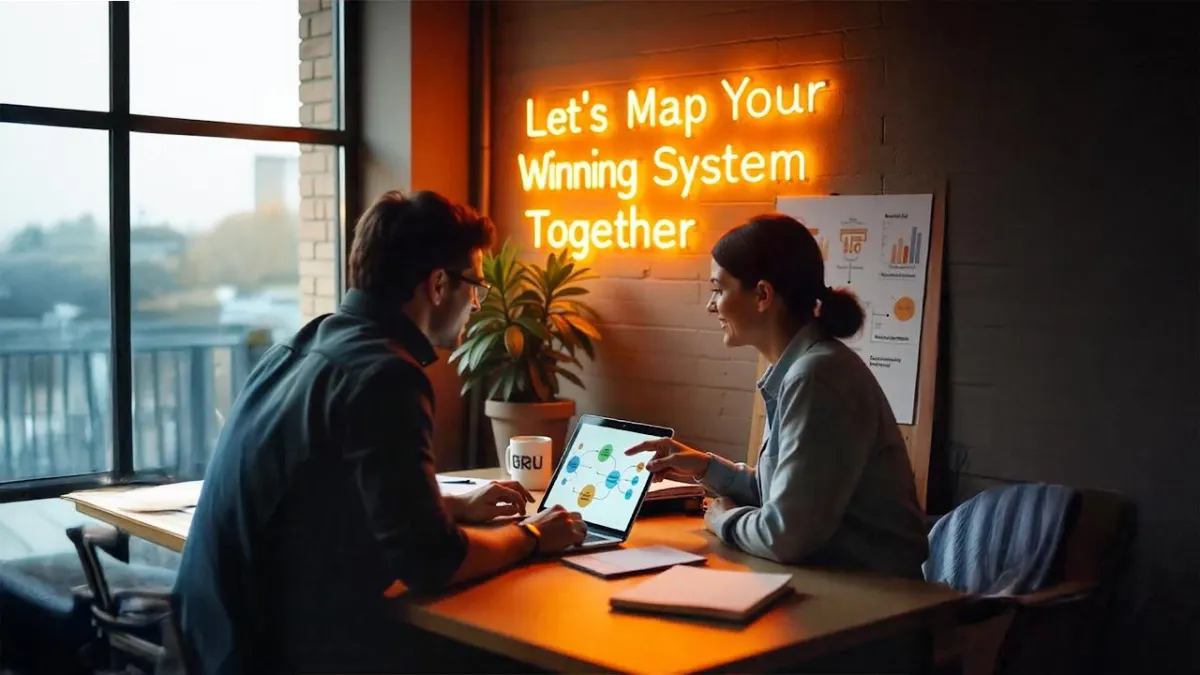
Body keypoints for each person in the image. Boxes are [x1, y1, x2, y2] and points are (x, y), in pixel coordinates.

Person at [172, 190, 587, 675]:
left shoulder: (306, 344)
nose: (477, 303)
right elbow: (432, 561)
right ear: (437, 284)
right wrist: (534, 534)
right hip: (271, 653)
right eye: (474, 285)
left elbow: (327, 494)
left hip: (210, 637)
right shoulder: (386, 374)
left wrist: (450, 505)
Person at [627, 213, 929, 580]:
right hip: (839, 587)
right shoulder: (802, 368)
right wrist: (706, 467)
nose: (711, 306)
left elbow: (785, 535)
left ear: (763, 295)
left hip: (876, 607)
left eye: (719, 290)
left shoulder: (818, 375)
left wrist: (724, 520)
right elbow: (782, 496)